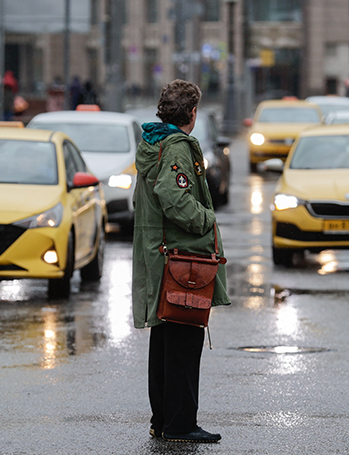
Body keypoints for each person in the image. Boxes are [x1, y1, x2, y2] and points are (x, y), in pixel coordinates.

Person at [131, 79, 229, 443]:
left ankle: (163, 420)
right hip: (181, 259)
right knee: (184, 343)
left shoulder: (154, 142)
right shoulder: (177, 147)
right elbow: (174, 196)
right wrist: (206, 218)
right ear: (192, 112)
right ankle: (180, 424)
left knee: (167, 342)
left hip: (163, 256)